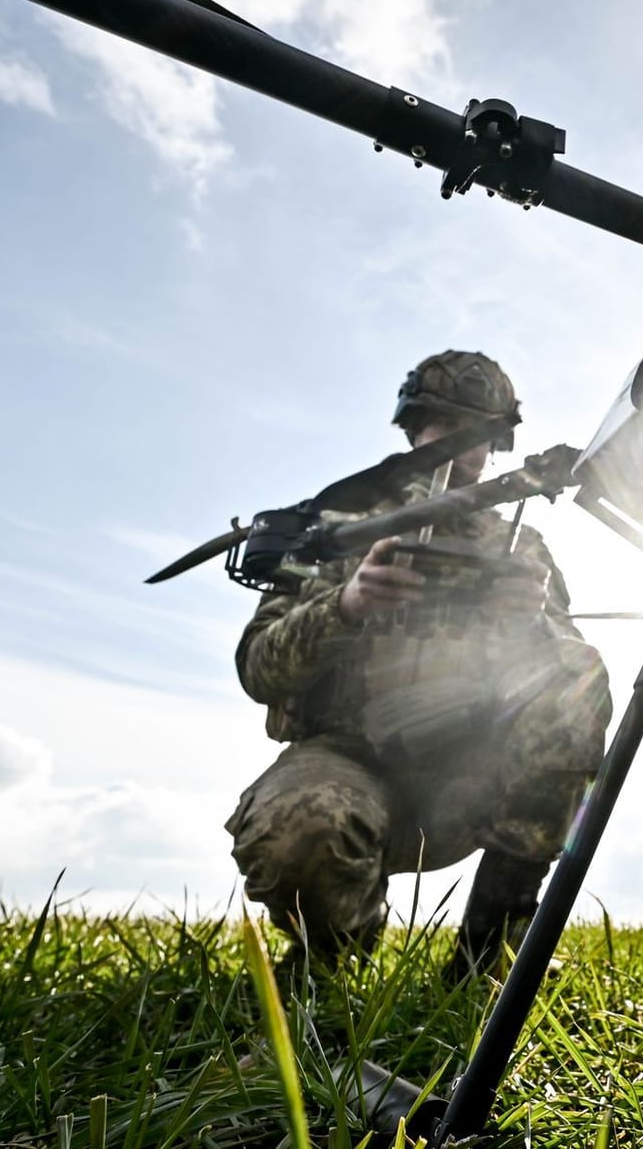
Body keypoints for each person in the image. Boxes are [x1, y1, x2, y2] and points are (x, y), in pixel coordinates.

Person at [225, 351, 611, 976]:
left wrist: (527, 621)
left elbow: (572, 679)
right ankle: (333, 960)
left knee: (577, 676)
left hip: (469, 775)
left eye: (478, 433)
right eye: (442, 426)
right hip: (350, 759)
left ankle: (491, 949)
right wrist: (345, 606)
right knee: (301, 827)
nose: (459, 447)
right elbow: (257, 667)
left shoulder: (522, 545)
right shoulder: (338, 529)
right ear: (413, 428)